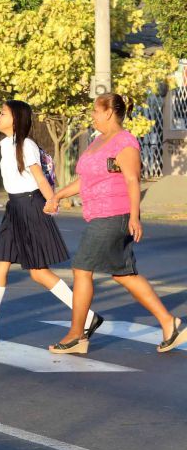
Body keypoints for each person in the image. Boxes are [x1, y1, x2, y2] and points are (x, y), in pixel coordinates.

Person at [45, 94, 186, 354]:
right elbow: (86, 180)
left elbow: (133, 180)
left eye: (96, 111)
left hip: (114, 214)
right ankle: (170, 324)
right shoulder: (98, 142)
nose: (93, 116)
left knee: (81, 268)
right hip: (99, 214)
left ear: (110, 112)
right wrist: (58, 195)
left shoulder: (125, 142)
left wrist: (134, 216)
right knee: (124, 274)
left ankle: (77, 335)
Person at [0, 100, 101, 343]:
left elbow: (40, 178)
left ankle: (87, 316)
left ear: (16, 119)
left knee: (38, 272)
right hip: (13, 208)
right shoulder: (7, 145)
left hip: (30, 207)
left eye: (2, 113)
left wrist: (52, 201)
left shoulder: (26, 145)